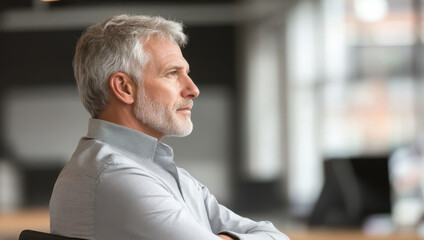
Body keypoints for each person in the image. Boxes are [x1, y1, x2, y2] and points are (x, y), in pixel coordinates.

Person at [49, 14, 289, 240]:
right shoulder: (116, 176)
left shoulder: (166, 174)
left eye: (187, 73)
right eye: (172, 73)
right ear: (124, 88)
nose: (193, 89)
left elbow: (275, 235)